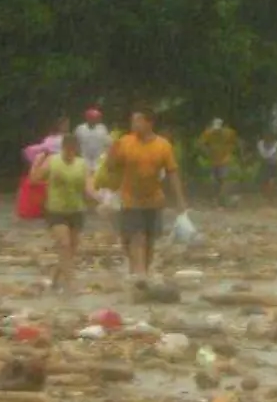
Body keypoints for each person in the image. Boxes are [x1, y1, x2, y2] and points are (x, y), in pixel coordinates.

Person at [96, 108, 186, 282]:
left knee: (150, 241)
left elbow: (172, 173)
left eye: (138, 121)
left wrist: (180, 200)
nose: (134, 125)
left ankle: (142, 272)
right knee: (138, 237)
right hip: (130, 199)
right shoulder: (125, 142)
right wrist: (112, 152)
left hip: (154, 199)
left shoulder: (163, 145)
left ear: (149, 123)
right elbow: (110, 168)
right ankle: (140, 274)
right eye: (133, 121)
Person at [32, 132, 90, 293]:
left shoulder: (82, 164)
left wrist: (100, 200)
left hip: (77, 210)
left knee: (71, 249)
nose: (70, 152)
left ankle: (54, 278)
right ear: (63, 147)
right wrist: (37, 163)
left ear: (76, 149)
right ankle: (71, 283)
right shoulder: (52, 161)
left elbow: (88, 186)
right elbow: (35, 179)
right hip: (55, 210)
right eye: (67, 148)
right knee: (64, 245)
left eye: (73, 149)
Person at [197, 118, 239, 206]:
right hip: (213, 160)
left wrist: (229, 153)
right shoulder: (208, 133)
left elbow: (235, 143)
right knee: (214, 181)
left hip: (224, 159)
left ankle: (221, 199)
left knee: (223, 180)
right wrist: (207, 151)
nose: (217, 131)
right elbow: (200, 143)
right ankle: (216, 199)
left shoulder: (229, 133)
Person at [75, 106, 113, 173]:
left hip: (99, 162)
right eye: (93, 117)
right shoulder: (80, 129)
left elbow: (109, 144)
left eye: (96, 118)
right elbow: (76, 144)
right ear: (88, 118)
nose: (95, 119)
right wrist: (79, 157)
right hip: (84, 161)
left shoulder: (103, 129)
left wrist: (105, 157)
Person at [257, 132, 277, 199]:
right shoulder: (275, 144)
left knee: (267, 179)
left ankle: (268, 194)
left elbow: (264, 155)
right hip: (271, 163)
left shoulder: (261, 144)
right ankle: (269, 194)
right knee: (270, 179)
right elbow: (267, 155)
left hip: (267, 163)